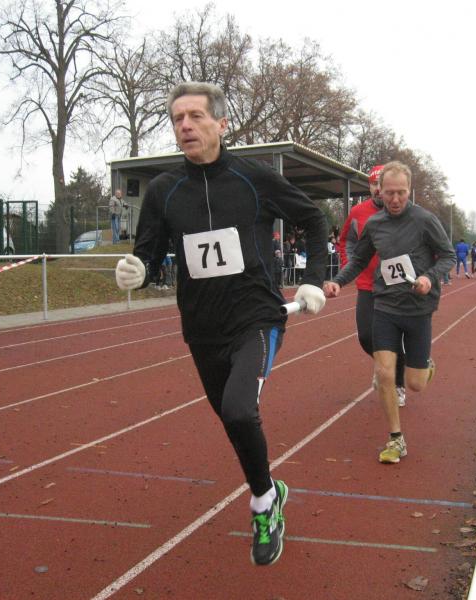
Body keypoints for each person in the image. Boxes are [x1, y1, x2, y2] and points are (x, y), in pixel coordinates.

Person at [114, 81, 328, 566]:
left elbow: (314, 220)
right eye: (177, 119)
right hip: (201, 327)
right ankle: (269, 488)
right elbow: (148, 254)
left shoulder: (254, 179)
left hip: (256, 317)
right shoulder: (165, 191)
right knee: (232, 419)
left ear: (221, 123)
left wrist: (313, 279)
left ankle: (263, 505)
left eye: (195, 116)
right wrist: (138, 271)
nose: (185, 126)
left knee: (238, 410)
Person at [324, 161, 454, 464]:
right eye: (390, 192)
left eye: (401, 193)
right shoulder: (375, 224)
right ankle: (396, 439)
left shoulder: (425, 220)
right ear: (379, 191)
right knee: (384, 372)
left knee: (416, 384)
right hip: (385, 305)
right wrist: (338, 281)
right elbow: (359, 260)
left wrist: (428, 278)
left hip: (418, 307)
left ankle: (425, 365)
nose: (395, 199)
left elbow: (447, 256)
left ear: (409, 191)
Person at [338, 165, 408, 407]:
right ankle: (384, 364)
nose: (378, 189)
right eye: (374, 184)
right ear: (369, 186)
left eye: (382, 184)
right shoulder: (358, 212)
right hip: (367, 283)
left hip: (397, 286)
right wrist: (349, 265)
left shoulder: (405, 212)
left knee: (395, 337)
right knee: (366, 336)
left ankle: (398, 384)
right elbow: (346, 241)